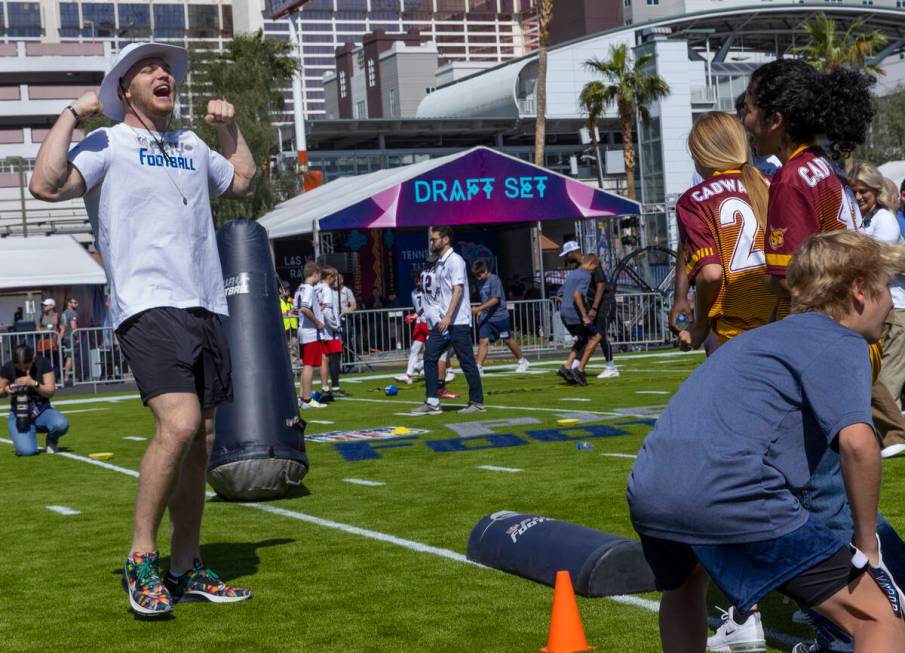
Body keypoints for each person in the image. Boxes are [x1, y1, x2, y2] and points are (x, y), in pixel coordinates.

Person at [29, 41, 256, 616]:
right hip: (148, 304)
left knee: (202, 440)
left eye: (167, 69)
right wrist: (73, 114)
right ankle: (141, 558)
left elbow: (243, 182)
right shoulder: (108, 141)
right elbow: (45, 186)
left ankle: (186, 566)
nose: (164, 75)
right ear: (124, 89)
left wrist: (230, 132)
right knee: (177, 425)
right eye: (148, 69)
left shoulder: (190, 144)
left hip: (206, 303)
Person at [628, 230, 905, 653]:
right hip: (729, 492)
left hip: (651, 487)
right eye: (887, 288)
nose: (891, 303)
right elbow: (858, 445)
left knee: (684, 587)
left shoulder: (757, 338)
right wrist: (868, 545)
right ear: (859, 292)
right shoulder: (841, 340)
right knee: (877, 615)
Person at [673, 111, 774, 354]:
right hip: (785, 321)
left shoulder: (694, 200)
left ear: (701, 155)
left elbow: (711, 274)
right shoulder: (774, 183)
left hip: (738, 332)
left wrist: (701, 323)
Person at [411, 226, 483, 415]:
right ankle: (433, 401)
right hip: (443, 322)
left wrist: (449, 316)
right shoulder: (441, 262)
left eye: (434, 239)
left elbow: (457, 290)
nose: (432, 243)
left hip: (456, 321)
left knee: (466, 361)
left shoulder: (455, 261)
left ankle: (477, 402)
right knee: (429, 356)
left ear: (445, 240)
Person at [0, 343, 69, 456]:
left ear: (33, 358)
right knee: (27, 451)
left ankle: (51, 440)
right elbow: (1, 391)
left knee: (61, 424)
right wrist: (6, 390)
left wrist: (33, 383)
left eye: (27, 366)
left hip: (42, 410)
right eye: (19, 367)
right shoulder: (8, 367)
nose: (24, 370)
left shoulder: (43, 363)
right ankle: (22, 434)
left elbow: (50, 392)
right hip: (19, 414)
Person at [471, 260, 529, 376]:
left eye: (480, 275)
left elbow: (495, 300)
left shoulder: (494, 280)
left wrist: (478, 308)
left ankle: (523, 361)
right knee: (483, 341)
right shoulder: (480, 283)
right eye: (476, 276)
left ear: (486, 271)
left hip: (500, 317)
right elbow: (484, 299)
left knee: (507, 340)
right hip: (486, 318)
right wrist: (481, 311)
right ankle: (479, 366)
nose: (478, 278)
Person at [555, 253, 599, 387]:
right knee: (596, 337)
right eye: (594, 268)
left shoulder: (573, 274)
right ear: (591, 263)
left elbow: (560, 294)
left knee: (583, 339)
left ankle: (567, 366)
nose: (594, 270)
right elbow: (577, 294)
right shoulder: (586, 275)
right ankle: (579, 370)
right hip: (574, 312)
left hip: (564, 311)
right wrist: (584, 315)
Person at [295, 261, 327, 409]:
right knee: (309, 365)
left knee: (306, 365)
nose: (319, 278)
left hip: (303, 331)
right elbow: (304, 309)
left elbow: (298, 308)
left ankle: (302, 397)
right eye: (319, 275)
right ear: (314, 274)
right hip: (310, 332)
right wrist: (318, 323)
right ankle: (307, 398)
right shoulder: (308, 288)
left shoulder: (300, 288)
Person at [852, 164, 904, 246]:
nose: (857, 197)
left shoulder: (885, 219)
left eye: (863, 191)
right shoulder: (860, 217)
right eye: (854, 192)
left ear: (876, 190)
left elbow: (877, 256)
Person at [395, 270, 429, 385]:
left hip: (430, 322)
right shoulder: (413, 293)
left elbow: (428, 306)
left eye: (419, 280)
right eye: (416, 281)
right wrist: (415, 317)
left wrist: (415, 315)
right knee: (414, 349)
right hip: (420, 323)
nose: (418, 283)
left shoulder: (428, 291)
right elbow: (418, 308)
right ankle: (408, 375)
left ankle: (420, 365)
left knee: (432, 351)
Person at [316, 266, 344, 402]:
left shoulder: (316, 288)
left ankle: (325, 387)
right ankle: (336, 388)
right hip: (330, 330)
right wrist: (336, 326)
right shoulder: (326, 289)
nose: (335, 280)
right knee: (335, 359)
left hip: (321, 329)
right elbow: (327, 310)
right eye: (333, 277)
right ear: (328, 277)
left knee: (324, 359)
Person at [279, 281, 299, 371]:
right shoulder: (278, 301)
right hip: (284, 328)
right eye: (285, 289)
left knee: (294, 347)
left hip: (293, 328)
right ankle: (287, 368)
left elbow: (296, 312)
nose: (287, 291)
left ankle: (295, 368)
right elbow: (280, 313)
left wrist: (289, 313)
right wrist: (289, 313)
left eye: (288, 289)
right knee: (286, 348)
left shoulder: (292, 300)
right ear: (280, 290)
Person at [59, 296, 79, 385]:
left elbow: (62, 327)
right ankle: (67, 377)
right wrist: (78, 338)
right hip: (70, 338)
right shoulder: (72, 313)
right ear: (69, 304)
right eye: (74, 302)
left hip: (65, 337)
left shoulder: (63, 313)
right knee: (70, 357)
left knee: (68, 357)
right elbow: (74, 327)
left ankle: (67, 376)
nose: (76, 304)